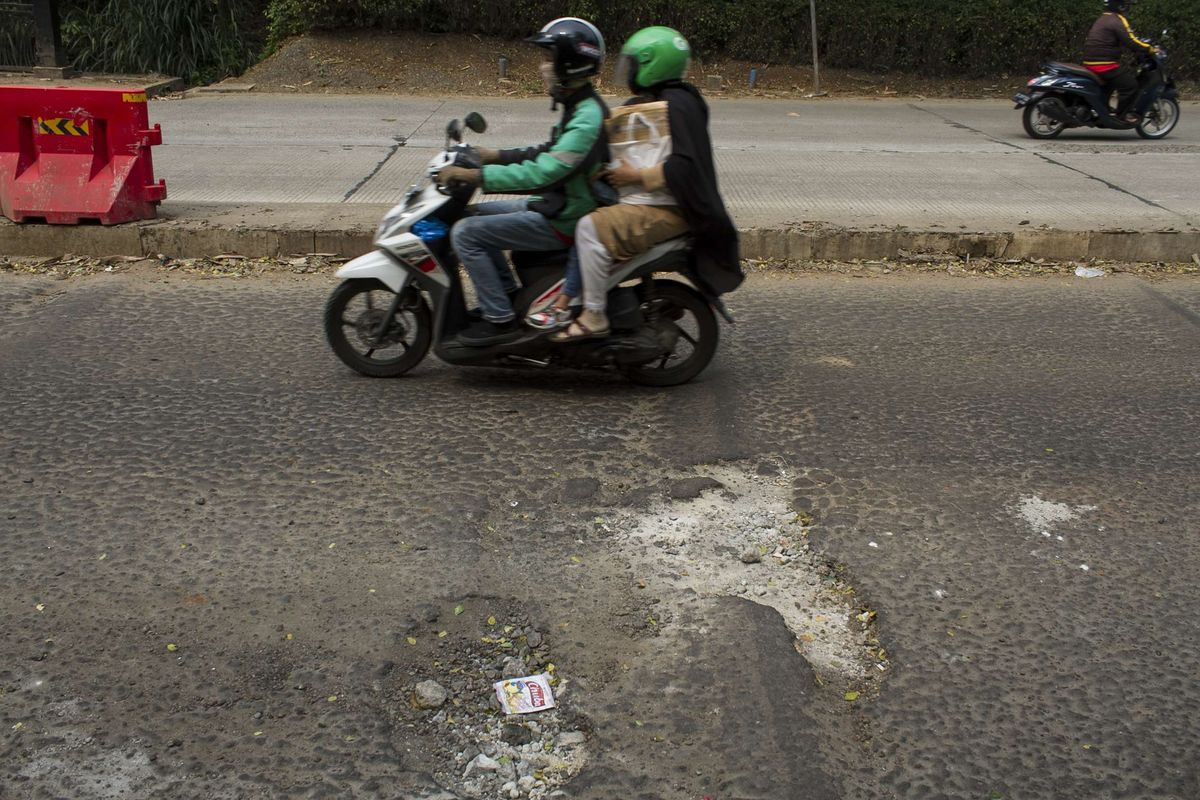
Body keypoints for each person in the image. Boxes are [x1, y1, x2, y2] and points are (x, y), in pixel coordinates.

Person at [547, 26, 741, 343]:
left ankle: (593, 315)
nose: (629, 72)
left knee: (589, 229)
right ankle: (570, 299)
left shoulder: (677, 106)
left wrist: (634, 177)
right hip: (649, 200)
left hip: (668, 208)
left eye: (633, 64)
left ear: (653, 64)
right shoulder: (661, 101)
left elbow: (685, 168)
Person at [438, 17, 608, 346]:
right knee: (470, 216)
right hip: (559, 202)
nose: (543, 66)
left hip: (567, 217)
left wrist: (477, 175)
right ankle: (507, 297)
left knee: (465, 234)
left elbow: (543, 173)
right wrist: (495, 155)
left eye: (548, 58)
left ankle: (499, 320)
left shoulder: (587, 118)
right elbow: (545, 152)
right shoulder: (579, 106)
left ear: (569, 64)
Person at [1082, 0, 1161, 123]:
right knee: (1130, 86)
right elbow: (1131, 41)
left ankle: (1104, 109)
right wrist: (1150, 49)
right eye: (1126, 5)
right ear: (1120, 6)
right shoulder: (1117, 20)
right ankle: (1122, 116)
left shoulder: (1103, 18)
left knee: (1114, 81)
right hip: (1104, 65)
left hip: (1091, 62)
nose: (1127, 8)